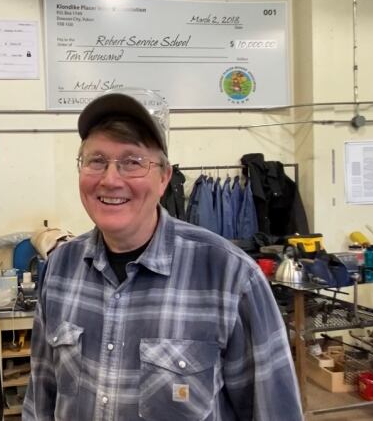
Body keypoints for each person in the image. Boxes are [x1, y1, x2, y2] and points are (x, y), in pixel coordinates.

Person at [22, 90, 302, 420]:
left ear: (164, 178)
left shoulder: (231, 277)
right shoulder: (59, 270)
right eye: (96, 161)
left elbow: (275, 412)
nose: (111, 179)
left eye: (133, 162)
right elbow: (41, 401)